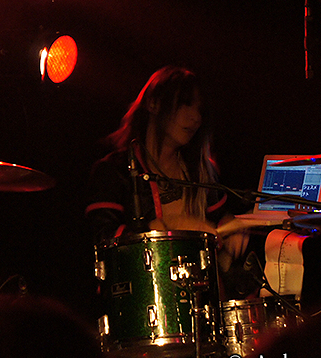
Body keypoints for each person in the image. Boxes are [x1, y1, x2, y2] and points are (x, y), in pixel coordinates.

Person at [86, 66, 248, 265]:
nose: (196, 117)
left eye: (199, 109)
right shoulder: (113, 171)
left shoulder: (201, 171)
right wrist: (169, 226)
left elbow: (221, 219)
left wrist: (232, 230)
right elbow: (103, 238)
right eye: (185, 104)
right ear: (153, 103)